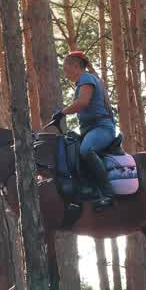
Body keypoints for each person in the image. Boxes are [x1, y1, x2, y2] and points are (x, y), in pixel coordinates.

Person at [51, 51, 116, 210]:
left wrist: (62, 113)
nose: (66, 75)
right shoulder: (84, 81)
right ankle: (87, 188)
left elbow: (83, 102)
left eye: (66, 70)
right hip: (89, 130)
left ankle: (108, 194)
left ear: (75, 66)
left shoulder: (86, 78)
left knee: (86, 149)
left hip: (101, 128)